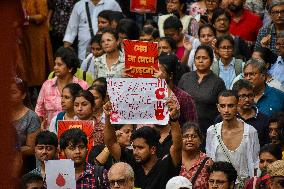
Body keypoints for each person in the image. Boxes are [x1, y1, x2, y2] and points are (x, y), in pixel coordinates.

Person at [104, 99, 183, 189]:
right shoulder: (130, 161)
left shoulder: (166, 165)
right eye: (134, 147)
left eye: (140, 148)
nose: (135, 152)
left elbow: (177, 147)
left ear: (152, 149)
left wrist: (174, 119)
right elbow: (111, 142)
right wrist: (107, 116)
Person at [206, 90, 260, 187]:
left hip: (244, 185)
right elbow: (211, 163)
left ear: (237, 105)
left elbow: (256, 164)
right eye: (222, 106)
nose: (226, 110)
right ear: (218, 107)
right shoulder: (212, 131)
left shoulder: (251, 132)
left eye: (230, 106)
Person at [35, 47, 88, 129]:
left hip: (76, 133)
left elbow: (88, 111)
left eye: (59, 65)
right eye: (55, 64)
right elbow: (39, 111)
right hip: (50, 135)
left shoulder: (83, 86)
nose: (55, 67)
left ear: (70, 68)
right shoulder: (47, 85)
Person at [179, 45, 226, 136]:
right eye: (197, 58)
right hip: (185, 129)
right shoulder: (185, 78)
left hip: (209, 130)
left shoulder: (218, 82)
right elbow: (177, 100)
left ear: (211, 60)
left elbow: (222, 107)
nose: (200, 61)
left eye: (204, 58)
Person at [157, 53, 197, 126]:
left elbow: (192, 127)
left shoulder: (184, 98)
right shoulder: (150, 94)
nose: (156, 74)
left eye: (160, 71)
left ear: (171, 75)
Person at [226, 79, 269, 146]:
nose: (247, 99)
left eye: (250, 95)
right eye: (243, 96)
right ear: (235, 97)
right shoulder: (225, 117)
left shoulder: (264, 119)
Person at [21, 0, 54, 86]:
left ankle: (40, 88)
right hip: (25, 37)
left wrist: (27, 17)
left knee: (39, 65)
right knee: (26, 64)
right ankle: (29, 89)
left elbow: (42, 16)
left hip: (38, 37)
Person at [12, 77, 41, 173]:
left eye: (13, 92)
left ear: (23, 95)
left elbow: (31, 148)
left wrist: (10, 151)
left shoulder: (31, 117)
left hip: (24, 166)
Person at [180, 122, 213, 189]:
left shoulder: (208, 162)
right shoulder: (174, 160)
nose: (189, 140)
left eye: (194, 136)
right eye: (186, 136)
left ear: (200, 140)